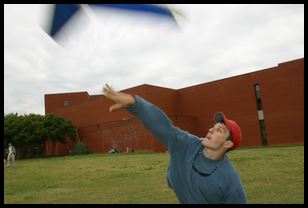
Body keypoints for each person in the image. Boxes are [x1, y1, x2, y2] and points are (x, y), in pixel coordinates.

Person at [102, 84, 247, 204]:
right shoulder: (187, 145)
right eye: (213, 126)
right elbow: (163, 126)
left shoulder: (229, 179)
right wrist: (136, 104)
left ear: (228, 143)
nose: (211, 129)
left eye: (219, 130)